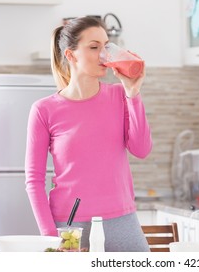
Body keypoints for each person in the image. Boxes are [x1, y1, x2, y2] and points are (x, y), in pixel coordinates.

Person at [25, 16, 152, 252]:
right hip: (71, 224)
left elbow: (141, 149)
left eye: (106, 46)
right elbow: (34, 181)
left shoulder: (119, 96)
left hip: (122, 219)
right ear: (71, 55)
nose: (104, 54)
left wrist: (133, 94)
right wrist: (51, 238)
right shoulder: (44, 110)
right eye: (94, 47)